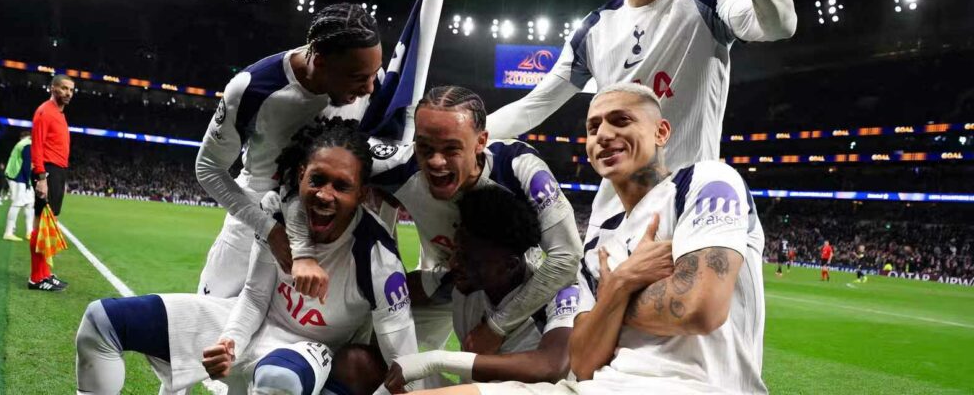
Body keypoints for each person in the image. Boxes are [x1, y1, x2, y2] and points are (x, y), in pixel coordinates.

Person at [485, 0, 797, 232]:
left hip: (686, 217)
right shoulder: (594, 28)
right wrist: (459, 137)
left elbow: (777, 26)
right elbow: (533, 107)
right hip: (610, 223)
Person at [424, 83, 766, 395]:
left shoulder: (705, 182)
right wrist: (622, 283)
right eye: (593, 127)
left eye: (621, 121)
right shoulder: (597, 245)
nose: (603, 134)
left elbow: (699, 308)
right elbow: (584, 361)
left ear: (661, 132)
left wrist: (609, 302)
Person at [75, 119, 418, 394]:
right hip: (248, 323)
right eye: (317, 179)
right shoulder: (278, 214)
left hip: (309, 348)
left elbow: (404, 360)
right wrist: (229, 343)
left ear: (361, 194)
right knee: (101, 321)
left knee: (277, 381)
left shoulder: (378, 259)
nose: (325, 195)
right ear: (301, 176)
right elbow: (255, 296)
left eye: (341, 186)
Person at [289, 86, 581, 354]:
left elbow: (567, 256)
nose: (435, 162)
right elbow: (301, 171)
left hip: (512, 287)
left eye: (451, 149)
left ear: (481, 142)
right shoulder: (400, 168)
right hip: (449, 279)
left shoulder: (518, 169)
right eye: (425, 147)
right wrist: (302, 251)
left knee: (531, 375)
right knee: (382, 362)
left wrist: (497, 326)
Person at [195, 3, 381, 299]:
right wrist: (268, 228)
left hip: (325, 238)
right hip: (252, 225)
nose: (371, 87)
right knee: (208, 325)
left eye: (374, 74)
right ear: (319, 62)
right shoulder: (253, 87)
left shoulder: (368, 77)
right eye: (359, 78)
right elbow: (208, 167)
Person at [385, 186, 575, 390]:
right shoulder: (462, 282)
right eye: (455, 251)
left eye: (468, 258)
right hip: (467, 390)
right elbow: (411, 288)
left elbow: (551, 366)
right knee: (366, 365)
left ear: (510, 264)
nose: (454, 263)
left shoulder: (561, 295)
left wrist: (437, 360)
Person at [29, 74, 75, 291]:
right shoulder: (44, 111)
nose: (67, 93)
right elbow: (36, 146)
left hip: (57, 170)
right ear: (53, 88)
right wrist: (41, 178)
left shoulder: (58, 113)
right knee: (41, 224)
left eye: (71, 90)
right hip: (47, 171)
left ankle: (45, 273)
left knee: (49, 224)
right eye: (64, 88)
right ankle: (36, 278)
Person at [3, 129, 35, 242]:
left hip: (19, 176)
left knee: (30, 203)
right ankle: (8, 232)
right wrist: (27, 181)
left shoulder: (25, 143)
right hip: (17, 176)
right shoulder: (28, 144)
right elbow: (26, 164)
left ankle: (30, 232)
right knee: (17, 203)